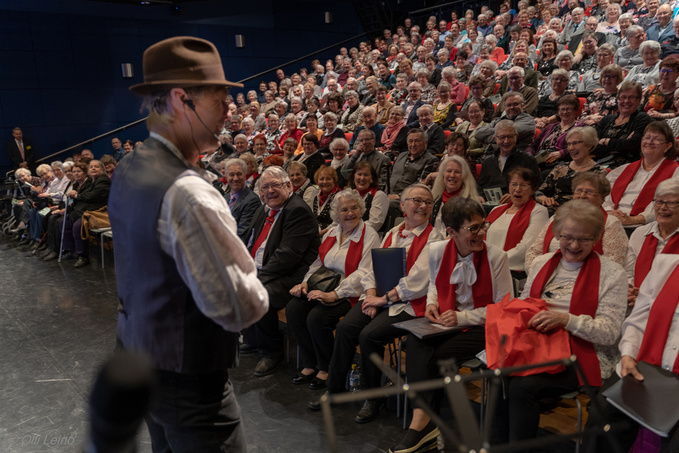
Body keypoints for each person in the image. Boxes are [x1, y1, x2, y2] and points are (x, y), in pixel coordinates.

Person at [108, 37, 268, 452]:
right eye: (220, 99)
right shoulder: (190, 193)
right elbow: (238, 307)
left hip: (139, 356)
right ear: (182, 100)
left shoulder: (128, 166)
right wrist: (256, 283)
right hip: (189, 383)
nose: (230, 110)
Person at [491, 199, 627, 446]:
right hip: (538, 345)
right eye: (568, 237)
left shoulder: (612, 273)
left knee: (522, 386)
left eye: (584, 239)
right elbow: (525, 305)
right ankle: (496, 446)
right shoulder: (541, 263)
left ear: (596, 238)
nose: (574, 245)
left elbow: (609, 333)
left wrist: (566, 320)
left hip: (582, 354)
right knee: (498, 375)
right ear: (556, 234)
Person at [308, 185, 443, 425]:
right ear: (403, 205)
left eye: (428, 202)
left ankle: (373, 397)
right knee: (346, 328)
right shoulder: (392, 232)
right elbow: (371, 268)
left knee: (369, 336)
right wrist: (370, 294)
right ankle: (335, 388)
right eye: (417, 200)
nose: (423, 206)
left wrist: (382, 299)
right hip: (379, 298)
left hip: (410, 304)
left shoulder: (435, 238)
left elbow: (418, 282)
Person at [390, 197, 513, 453]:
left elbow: (503, 308)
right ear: (452, 232)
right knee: (415, 342)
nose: (482, 233)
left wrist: (462, 318)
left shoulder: (496, 257)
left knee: (437, 357)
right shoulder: (437, 250)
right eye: (473, 228)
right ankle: (423, 421)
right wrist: (432, 303)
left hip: (482, 325)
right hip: (448, 320)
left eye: (483, 225)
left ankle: (423, 425)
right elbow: (435, 284)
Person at [286, 189, 380, 390]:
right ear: (336, 214)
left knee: (317, 318)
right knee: (294, 309)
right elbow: (319, 263)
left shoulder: (369, 235)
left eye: (354, 208)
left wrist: (334, 294)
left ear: (361, 209)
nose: (350, 213)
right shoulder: (332, 232)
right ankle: (311, 363)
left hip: (350, 292)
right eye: (344, 210)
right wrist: (306, 282)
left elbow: (364, 274)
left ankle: (327, 368)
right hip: (324, 285)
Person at [245, 166, 320, 377]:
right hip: (267, 270)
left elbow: (287, 256)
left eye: (275, 185)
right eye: (265, 187)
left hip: (292, 276)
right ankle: (253, 339)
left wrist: (256, 279)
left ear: (288, 186)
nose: (270, 191)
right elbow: (249, 241)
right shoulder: (265, 209)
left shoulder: (297, 211)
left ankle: (272, 352)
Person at [603, 121, 679, 227]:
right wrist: (609, 213)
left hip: (648, 226)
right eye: (647, 138)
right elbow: (605, 197)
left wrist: (635, 219)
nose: (650, 142)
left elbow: (668, 205)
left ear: (667, 146)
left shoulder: (676, 173)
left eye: (657, 139)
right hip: (611, 223)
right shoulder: (620, 171)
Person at [624, 180, 679, 307]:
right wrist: (630, 290)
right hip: (635, 305)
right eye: (659, 202)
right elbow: (628, 272)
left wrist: (651, 299)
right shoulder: (640, 233)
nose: (663, 208)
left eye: (671, 203)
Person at [486, 168, 549, 272]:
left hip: (510, 269)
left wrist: (495, 261)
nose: (517, 189)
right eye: (514, 184)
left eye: (523, 185)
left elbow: (527, 246)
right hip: (487, 265)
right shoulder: (496, 210)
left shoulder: (538, 211)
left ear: (532, 190)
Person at [477, 120, 541, 201]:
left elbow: (537, 188)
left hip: (517, 204)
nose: (506, 141)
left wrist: (517, 195)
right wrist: (480, 196)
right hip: (489, 204)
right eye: (502, 137)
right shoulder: (488, 162)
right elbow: (480, 186)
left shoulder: (528, 160)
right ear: (495, 139)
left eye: (510, 136)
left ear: (516, 137)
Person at [595, 81, 652, 167]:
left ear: (639, 100)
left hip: (627, 166)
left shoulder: (642, 118)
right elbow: (593, 146)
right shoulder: (606, 120)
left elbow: (632, 146)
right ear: (618, 99)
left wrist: (605, 141)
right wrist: (621, 145)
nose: (626, 101)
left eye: (632, 97)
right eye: (623, 97)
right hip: (600, 164)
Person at [430, 155, 479, 236]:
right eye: (449, 171)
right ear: (442, 175)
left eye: (457, 172)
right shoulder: (434, 199)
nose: (452, 175)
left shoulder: (470, 204)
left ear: (464, 177)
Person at [388, 129, 439, 203]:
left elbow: (422, 184)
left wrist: (399, 196)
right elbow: (389, 175)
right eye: (410, 141)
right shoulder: (401, 155)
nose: (413, 144)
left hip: (409, 199)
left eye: (417, 141)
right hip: (389, 195)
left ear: (425, 143)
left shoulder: (431, 160)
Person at [223, 158, 261, 244]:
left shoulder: (252, 200)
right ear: (226, 176)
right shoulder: (224, 198)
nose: (235, 178)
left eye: (239, 174)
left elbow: (242, 235)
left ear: (245, 175)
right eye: (231, 175)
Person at [641, 55, 679, 120]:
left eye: (670, 71)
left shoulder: (678, 93)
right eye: (663, 70)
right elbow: (640, 109)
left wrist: (661, 115)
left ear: (678, 74)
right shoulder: (651, 89)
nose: (665, 74)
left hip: (669, 123)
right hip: (647, 121)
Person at [311, 166, 340, 235]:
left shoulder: (339, 197)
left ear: (334, 180)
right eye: (321, 179)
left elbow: (337, 222)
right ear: (317, 181)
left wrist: (319, 234)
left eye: (328, 179)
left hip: (333, 234)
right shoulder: (316, 197)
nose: (324, 182)